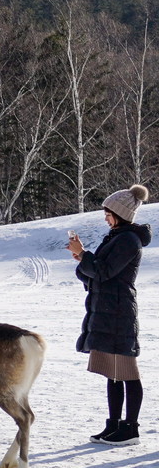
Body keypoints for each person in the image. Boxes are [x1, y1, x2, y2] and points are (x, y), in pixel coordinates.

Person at [68, 184, 150, 446]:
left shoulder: (128, 240)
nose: (105, 218)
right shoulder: (115, 237)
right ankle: (114, 425)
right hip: (106, 309)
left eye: (107, 213)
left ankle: (131, 429)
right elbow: (91, 274)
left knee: (127, 370)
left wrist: (83, 255)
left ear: (119, 213)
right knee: (111, 372)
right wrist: (82, 260)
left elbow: (103, 272)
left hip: (119, 310)